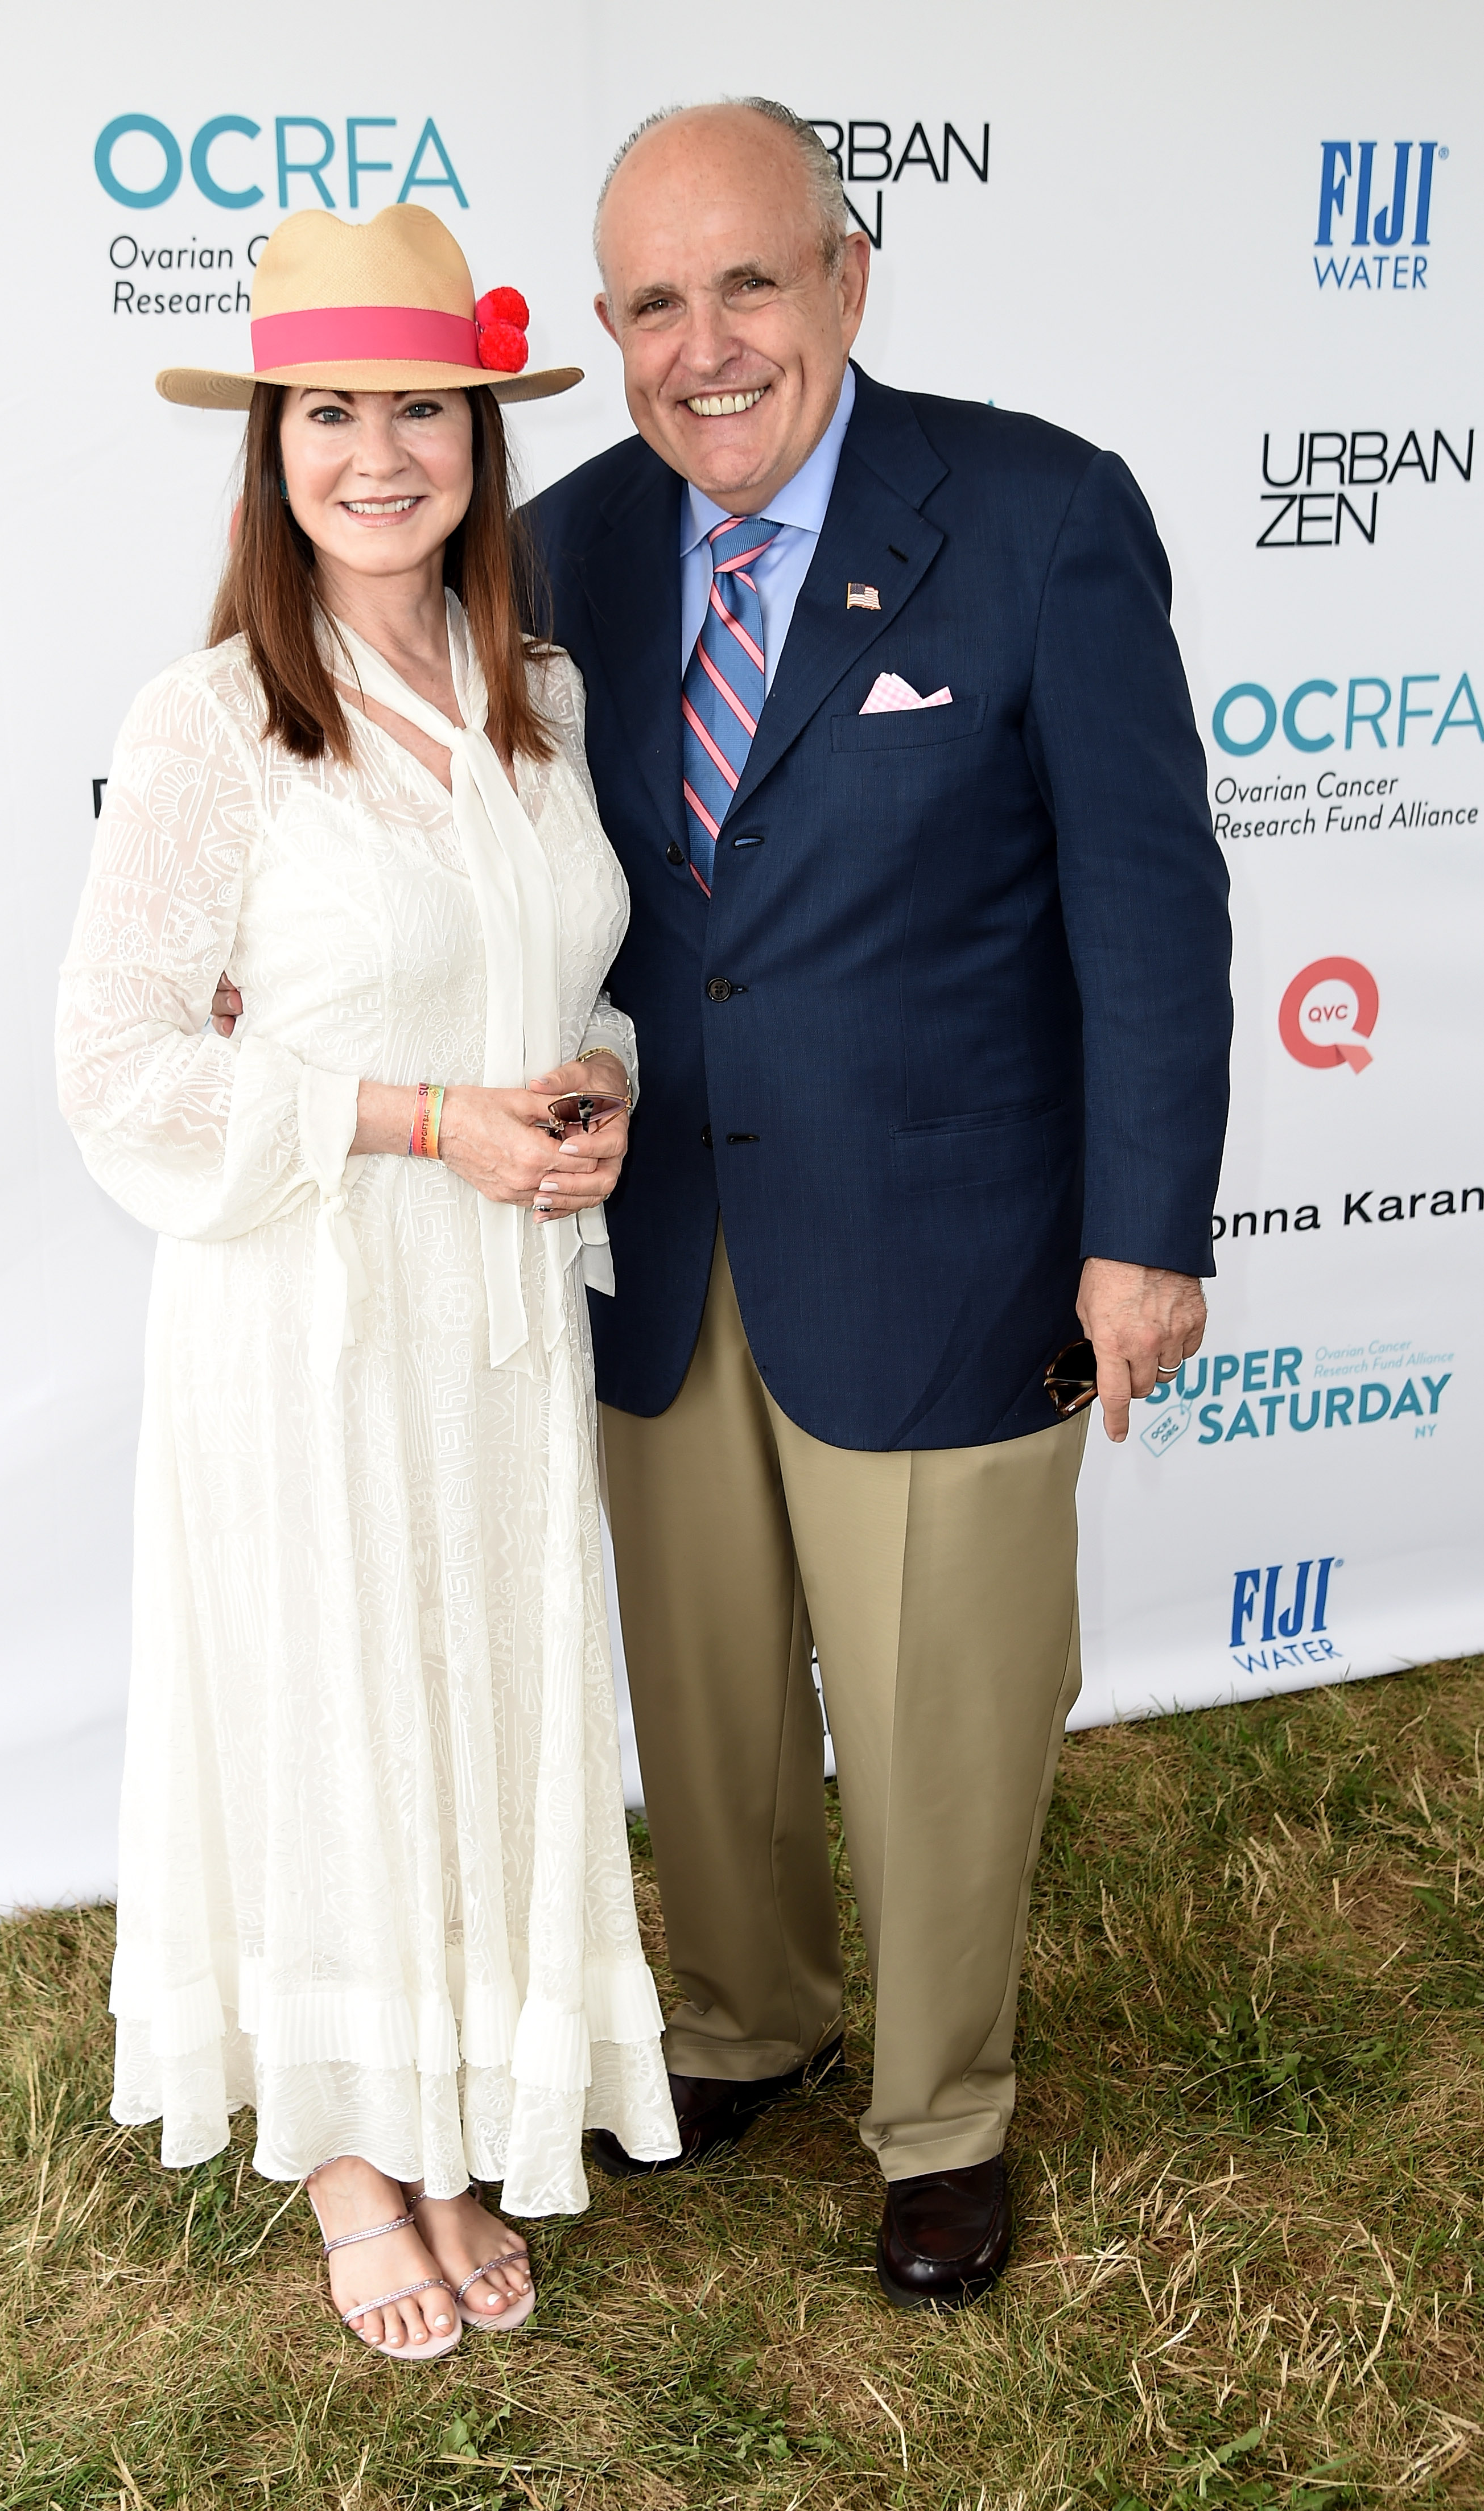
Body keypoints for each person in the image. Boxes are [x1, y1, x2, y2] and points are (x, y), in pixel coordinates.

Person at [523, 98, 1232, 2310]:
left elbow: (1145, 905)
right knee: (707, 1690)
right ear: (613, 331)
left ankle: (942, 2115)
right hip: (663, 1256)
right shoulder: (556, 552)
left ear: (849, 276)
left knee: (937, 1716)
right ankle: (747, 2021)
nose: (705, 346)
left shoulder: (1036, 517)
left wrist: (1148, 1234)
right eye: (655, 302)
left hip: (946, 1251)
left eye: (750, 283)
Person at [57, 201, 678, 2366]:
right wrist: (423, 1122)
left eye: (421, 405)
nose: (380, 451)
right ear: (273, 444)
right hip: (307, 1305)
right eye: (333, 410)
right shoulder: (216, 718)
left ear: (478, 436)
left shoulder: (546, 696)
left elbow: (560, 969)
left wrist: (591, 1079)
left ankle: (453, 2096)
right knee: (331, 1689)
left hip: (499, 1315)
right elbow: (118, 1068)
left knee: (467, 1677)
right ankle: (349, 2153)